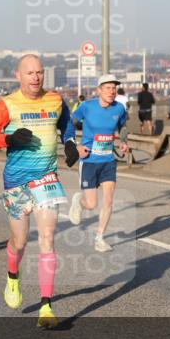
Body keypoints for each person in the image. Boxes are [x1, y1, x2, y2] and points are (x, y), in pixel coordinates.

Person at [0, 54, 77, 329]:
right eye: (30, 73)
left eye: (40, 72)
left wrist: (69, 143)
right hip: (17, 182)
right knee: (19, 243)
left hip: (46, 178)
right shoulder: (6, 104)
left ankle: (46, 306)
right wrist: (7, 139)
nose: (36, 77)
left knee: (47, 238)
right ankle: (12, 276)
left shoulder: (55, 100)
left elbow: (66, 123)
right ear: (18, 76)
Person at [68, 74, 129, 253]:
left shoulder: (119, 108)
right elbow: (69, 124)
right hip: (89, 160)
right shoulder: (86, 107)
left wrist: (124, 140)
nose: (112, 91)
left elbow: (123, 126)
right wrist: (75, 145)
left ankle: (99, 238)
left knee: (108, 200)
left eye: (114, 88)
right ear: (99, 90)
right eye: (108, 88)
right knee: (92, 203)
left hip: (108, 160)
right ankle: (79, 201)